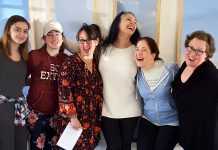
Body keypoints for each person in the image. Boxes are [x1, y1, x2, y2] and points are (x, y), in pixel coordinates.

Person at [99, 11, 142, 150]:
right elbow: (79, 49)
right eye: (129, 19)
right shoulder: (102, 48)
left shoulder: (138, 50)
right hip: (106, 108)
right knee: (113, 146)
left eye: (135, 21)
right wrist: (60, 37)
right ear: (117, 23)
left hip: (131, 109)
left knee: (125, 146)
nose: (133, 23)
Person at [57, 23, 103, 150]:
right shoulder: (70, 62)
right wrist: (73, 117)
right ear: (78, 41)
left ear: (97, 41)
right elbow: (64, 90)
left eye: (89, 40)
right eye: (82, 40)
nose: (85, 45)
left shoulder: (98, 64)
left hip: (93, 119)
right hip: (75, 119)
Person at [171, 30, 218, 150]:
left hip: (205, 138)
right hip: (188, 133)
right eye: (190, 48)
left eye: (199, 51)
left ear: (207, 55)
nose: (192, 54)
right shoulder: (184, 65)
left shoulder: (210, 74)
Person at [26, 20, 68, 149]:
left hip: (57, 114)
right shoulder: (34, 55)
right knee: (37, 147)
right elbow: (21, 78)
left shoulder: (66, 59)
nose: (54, 37)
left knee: (54, 147)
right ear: (44, 38)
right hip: (36, 112)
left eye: (57, 34)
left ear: (62, 37)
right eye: (50, 34)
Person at [135, 37, 179, 150]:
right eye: (137, 49)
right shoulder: (138, 73)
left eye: (144, 50)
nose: (139, 52)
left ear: (153, 54)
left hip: (171, 121)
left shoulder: (171, 70)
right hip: (148, 118)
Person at [0, 15, 30, 150]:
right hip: (1, 109)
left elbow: (20, 80)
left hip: (18, 109)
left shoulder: (25, 57)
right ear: (8, 30)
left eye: (25, 31)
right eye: (17, 29)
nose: (21, 34)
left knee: (20, 145)